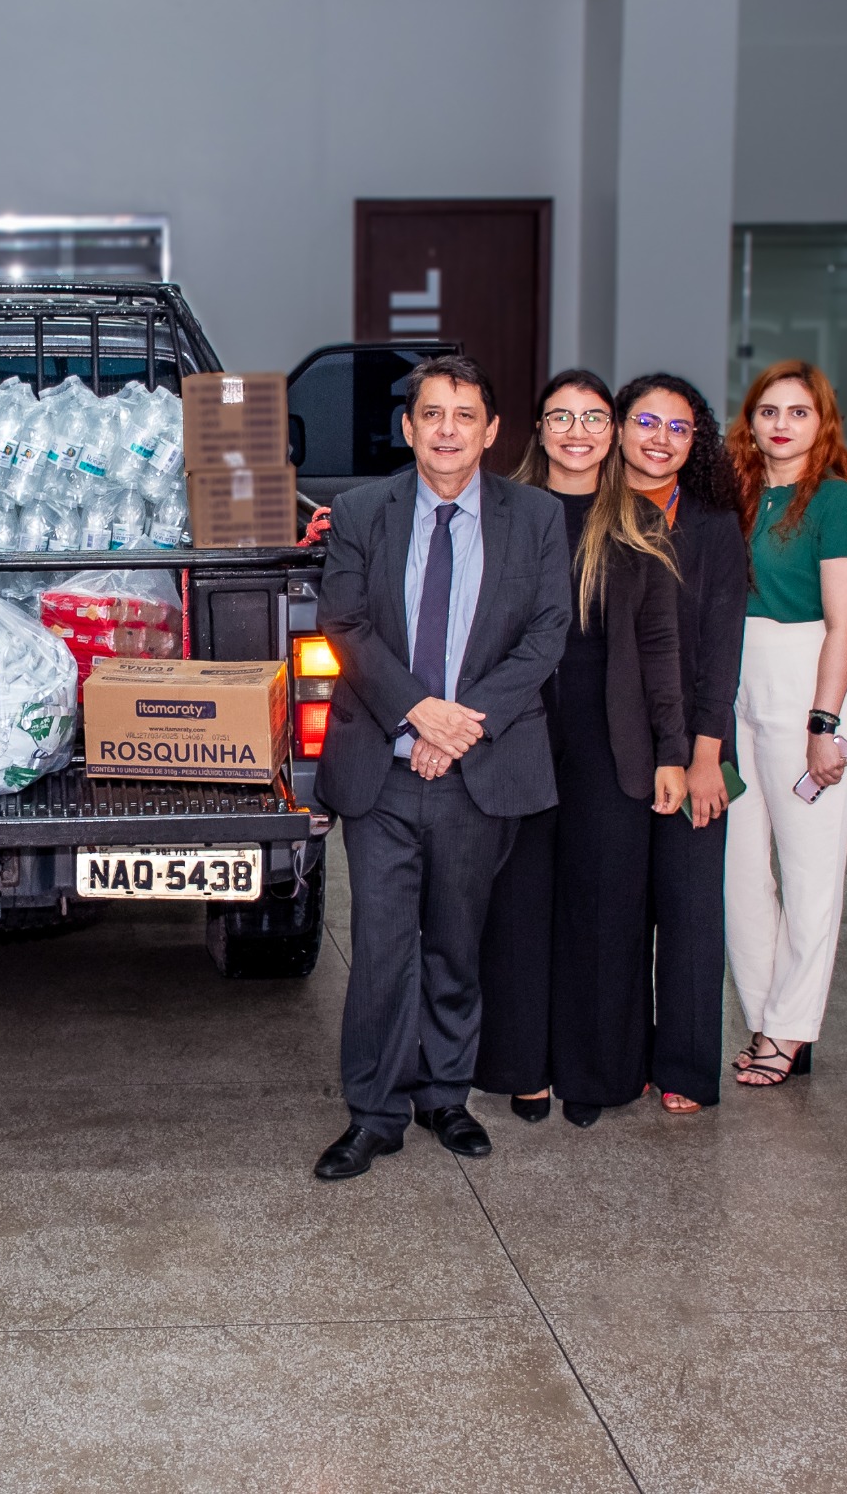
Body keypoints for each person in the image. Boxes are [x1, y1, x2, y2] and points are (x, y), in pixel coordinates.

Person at [309, 352, 571, 1181]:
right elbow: (345, 624)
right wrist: (418, 711)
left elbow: (546, 633)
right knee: (383, 947)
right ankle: (375, 1113)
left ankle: (444, 1095)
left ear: (491, 431)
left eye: (464, 415)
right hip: (382, 769)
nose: (447, 429)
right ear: (408, 427)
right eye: (431, 414)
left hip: (479, 768)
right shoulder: (362, 512)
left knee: (457, 942)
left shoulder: (533, 518)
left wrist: (459, 726)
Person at [473, 371, 686, 1130]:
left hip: (611, 736)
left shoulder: (637, 522)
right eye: (561, 415)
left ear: (614, 432)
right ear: (538, 427)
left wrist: (672, 747)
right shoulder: (501, 511)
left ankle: (594, 1069)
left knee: (606, 905)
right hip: (518, 731)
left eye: (594, 417)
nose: (578, 430)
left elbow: (661, 645)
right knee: (519, 903)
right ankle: (522, 1065)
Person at [723, 360, 847, 1089]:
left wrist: (823, 725)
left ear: (822, 423)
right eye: (769, 411)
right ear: (751, 421)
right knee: (737, 869)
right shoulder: (738, 495)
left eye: (798, 411)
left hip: (810, 686)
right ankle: (765, 1015)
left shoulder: (838, 503)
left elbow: (846, 625)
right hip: (738, 685)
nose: (782, 424)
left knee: (810, 870)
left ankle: (792, 1030)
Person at [616, 373, 749, 1113]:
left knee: (692, 909)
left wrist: (706, 756)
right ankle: (625, 1053)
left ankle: (688, 1069)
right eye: (647, 422)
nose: (660, 439)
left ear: (695, 443)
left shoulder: (715, 525)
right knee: (621, 907)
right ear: (620, 428)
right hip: (613, 743)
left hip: (695, 744)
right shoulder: (590, 511)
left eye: (679, 427)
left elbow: (720, 651)